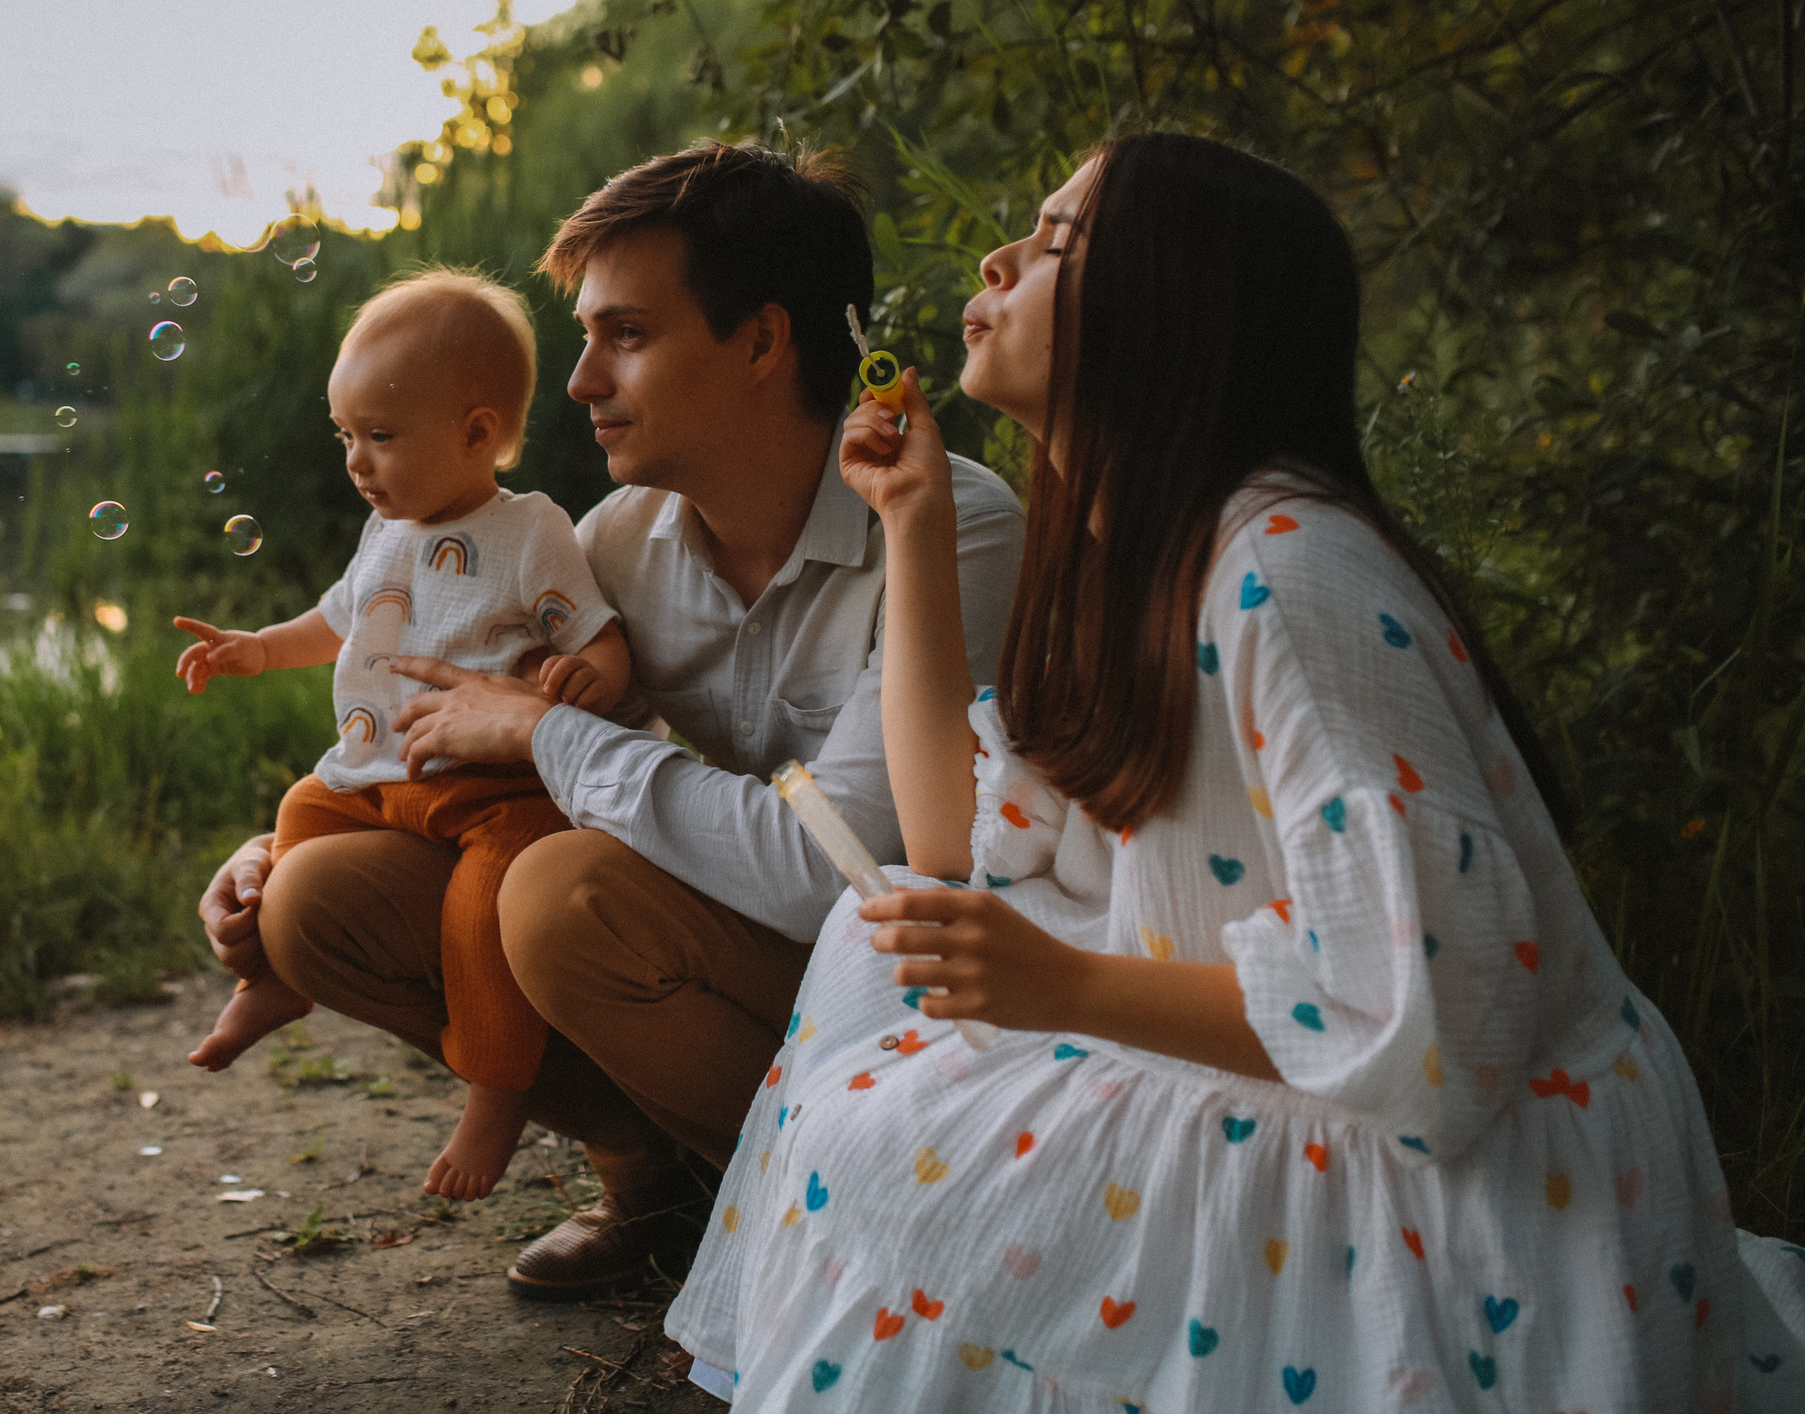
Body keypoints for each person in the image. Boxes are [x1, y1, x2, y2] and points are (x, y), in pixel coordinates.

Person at [666, 132, 1805, 1409]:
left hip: (1433, 1156)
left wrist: (1074, 986)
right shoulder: (1131, 561)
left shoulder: (1287, 575)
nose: (998, 256)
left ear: (1170, 313)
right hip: (1281, 1061)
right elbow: (945, 844)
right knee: (874, 957)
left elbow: (1442, 1023)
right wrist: (913, 527)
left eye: (1054, 243)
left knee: (907, 1124)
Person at [193, 141, 1027, 1298]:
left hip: (917, 988)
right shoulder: (613, 545)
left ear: (761, 342)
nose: (580, 380)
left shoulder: (948, 532)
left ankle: (824, 1215)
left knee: (559, 895)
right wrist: (284, 844)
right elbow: (433, 721)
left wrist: (545, 734)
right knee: (320, 904)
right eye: (584, 336)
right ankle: (656, 1180)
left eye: (624, 337)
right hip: (746, 951)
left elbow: (837, 869)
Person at [174, 269, 633, 1200]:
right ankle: (274, 979)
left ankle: (498, 1090)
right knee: (303, 807)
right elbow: (340, 619)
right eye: (346, 436)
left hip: (497, 792)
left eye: (380, 437)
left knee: (482, 917)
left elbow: (597, 636)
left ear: (475, 432)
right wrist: (256, 651)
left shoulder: (528, 531)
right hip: (383, 771)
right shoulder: (386, 533)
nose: (356, 463)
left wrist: (597, 678)